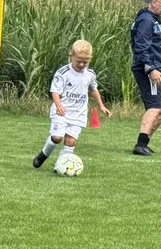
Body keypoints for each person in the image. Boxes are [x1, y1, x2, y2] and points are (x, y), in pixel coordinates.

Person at [32, 39, 111, 169]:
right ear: (71, 57)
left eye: (85, 62)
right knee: (57, 137)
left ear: (90, 59)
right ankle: (43, 155)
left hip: (79, 114)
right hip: (61, 111)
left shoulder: (90, 74)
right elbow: (55, 91)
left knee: (70, 141)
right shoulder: (63, 73)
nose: (81, 64)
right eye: (78, 60)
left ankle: (60, 166)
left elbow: (93, 89)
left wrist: (101, 105)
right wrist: (58, 105)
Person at [130, 0, 161, 156]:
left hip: (157, 69)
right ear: (154, 2)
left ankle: (144, 142)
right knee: (155, 106)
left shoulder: (154, 19)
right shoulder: (146, 20)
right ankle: (140, 145)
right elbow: (141, 47)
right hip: (148, 69)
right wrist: (150, 69)